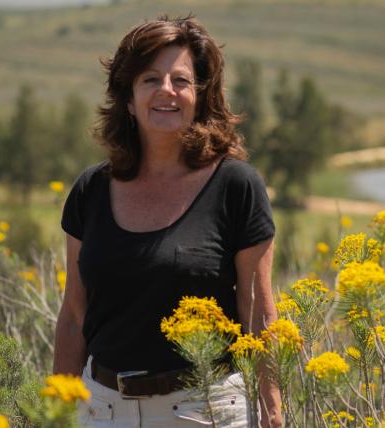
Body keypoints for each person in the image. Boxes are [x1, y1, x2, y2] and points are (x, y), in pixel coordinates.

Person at [53, 15, 282, 428]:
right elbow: (73, 316)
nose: (166, 91)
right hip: (102, 412)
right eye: (149, 79)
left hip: (205, 412)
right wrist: (53, 415)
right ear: (127, 98)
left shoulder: (236, 185)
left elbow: (259, 316)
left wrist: (272, 412)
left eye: (181, 80)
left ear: (200, 95)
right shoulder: (90, 190)